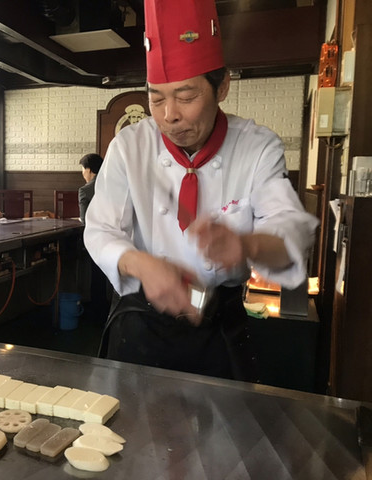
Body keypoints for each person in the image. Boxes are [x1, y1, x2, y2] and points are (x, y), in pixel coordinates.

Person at [84, 0, 319, 382]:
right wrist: (141, 264)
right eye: (156, 98)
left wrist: (247, 245)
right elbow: (99, 229)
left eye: (186, 96)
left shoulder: (256, 147)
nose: (169, 115)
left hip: (219, 329)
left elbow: (289, 228)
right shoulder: (129, 146)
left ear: (222, 86)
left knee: (227, 420)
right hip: (141, 323)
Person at [78, 153, 104, 223]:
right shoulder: (112, 183)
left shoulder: (84, 190)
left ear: (88, 170)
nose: (82, 173)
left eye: (83, 170)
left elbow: (84, 220)